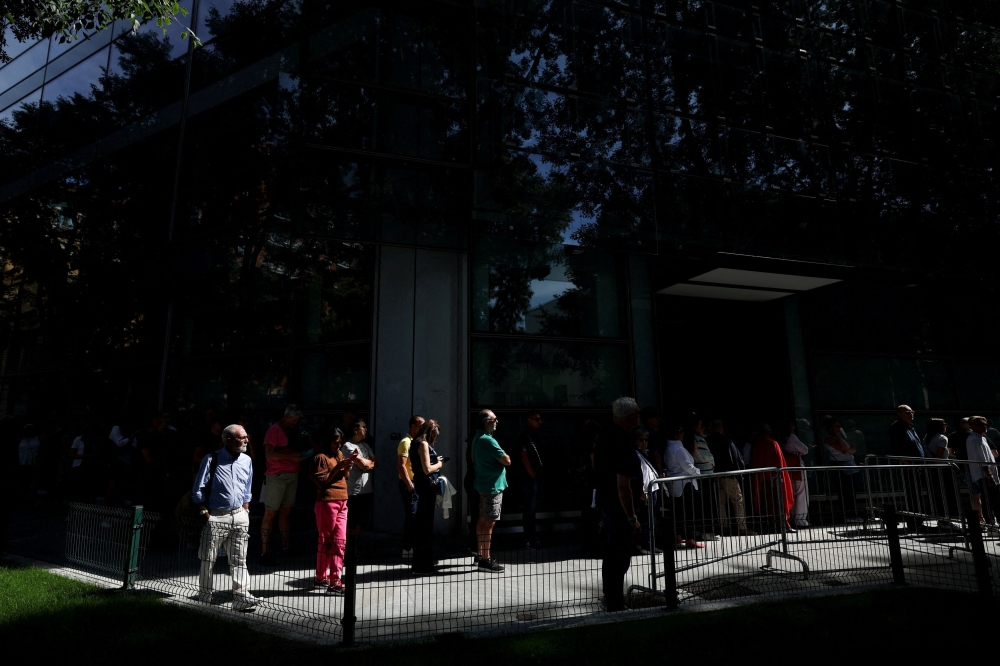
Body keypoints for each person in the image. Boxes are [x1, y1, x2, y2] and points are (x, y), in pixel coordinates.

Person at [192, 424, 257, 611]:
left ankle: (242, 597)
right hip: (216, 516)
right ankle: (205, 598)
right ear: (228, 440)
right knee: (208, 559)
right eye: (242, 437)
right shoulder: (211, 459)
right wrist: (205, 513)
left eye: (246, 437)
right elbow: (198, 489)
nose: (246, 440)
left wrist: (245, 510)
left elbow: (247, 489)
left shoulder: (246, 460)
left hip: (239, 515)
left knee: (239, 559)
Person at [594, 397, 643, 610]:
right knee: (619, 556)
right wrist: (631, 516)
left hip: (607, 503)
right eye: (637, 413)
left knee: (612, 555)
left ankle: (612, 597)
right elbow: (623, 484)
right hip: (618, 508)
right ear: (631, 416)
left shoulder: (605, 435)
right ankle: (615, 601)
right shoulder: (622, 440)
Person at [260, 405, 303, 566]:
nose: (296, 422)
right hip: (277, 476)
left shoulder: (291, 430)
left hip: (292, 474)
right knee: (270, 513)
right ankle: (264, 552)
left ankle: (285, 547)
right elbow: (269, 454)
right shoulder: (274, 430)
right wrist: (291, 458)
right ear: (288, 416)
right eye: (295, 419)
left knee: (286, 512)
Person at [311, 427, 352, 596]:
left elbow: (345, 477)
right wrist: (337, 468)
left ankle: (335, 580)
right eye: (336, 442)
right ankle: (322, 577)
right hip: (327, 502)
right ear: (328, 441)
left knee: (340, 542)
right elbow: (321, 482)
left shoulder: (339, 455)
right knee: (326, 541)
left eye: (340, 442)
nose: (339, 445)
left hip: (343, 500)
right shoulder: (320, 458)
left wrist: (347, 467)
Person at [472, 409, 511, 573]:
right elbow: (507, 460)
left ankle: (481, 555)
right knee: (489, 522)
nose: (497, 422)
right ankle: (486, 560)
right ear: (486, 421)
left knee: (482, 520)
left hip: (483, 484)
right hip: (492, 486)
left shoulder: (477, 438)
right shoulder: (488, 440)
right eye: (494, 419)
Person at [706, 419, 755, 536]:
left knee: (720, 503)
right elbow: (737, 458)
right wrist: (739, 473)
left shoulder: (707, 441)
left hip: (716, 475)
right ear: (721, 428)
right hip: (729, 474)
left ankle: (724, 527)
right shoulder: (727, 441)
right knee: (737, 500)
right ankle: (742, 528)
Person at [411, 419, 446, 574]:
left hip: (420, 485)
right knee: (425, 527)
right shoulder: (423, 444)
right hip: (426, 487)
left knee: (421, 527)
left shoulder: (414, 442)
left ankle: (421, 564)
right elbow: (426, 469)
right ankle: (423, 565)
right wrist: (439, 464)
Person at [748, 424, 795, 532]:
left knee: (765, 503)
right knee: (778, 502)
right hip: (775, 479)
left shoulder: (757, 445)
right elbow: (779, 463)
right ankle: (783, 525)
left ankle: (768, 525)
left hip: (762, 480)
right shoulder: (773, 443)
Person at [663, 423, 703, 549]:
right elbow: (687, 466)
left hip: (676, 484)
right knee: (689, 512)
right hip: (686, 484)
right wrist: (698, 473)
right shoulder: (678, 449)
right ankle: (690, 539)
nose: (682, 434)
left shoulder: (669, 447)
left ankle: (679, 536)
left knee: (679, 512)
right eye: (680, 431)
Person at [888, 405, 925, 530]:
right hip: (909, 467)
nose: (911, 414)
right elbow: (898, 449)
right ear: (899, 414)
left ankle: (918, 521)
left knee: (917, 494)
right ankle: (914, 522)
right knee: (912, 494)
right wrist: (908, 464)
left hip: (917, 465)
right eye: (907, 412)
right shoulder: (897, 428)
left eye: (912, 412)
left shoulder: (910, 426)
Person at [822, 419, 862, 524]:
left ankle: (853, 513)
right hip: (840, 466)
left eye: (839, 426)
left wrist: (842, 439)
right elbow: (844, 449)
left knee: (852, 491)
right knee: (845, 491)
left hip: (850, 464)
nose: (839, 429)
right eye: (836, 426)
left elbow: (853, 448)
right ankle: (847, 514)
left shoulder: (842, 438)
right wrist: (839, 437)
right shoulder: (829, 439)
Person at [342, 418, 377, 535]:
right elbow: (362, 464)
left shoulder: (365, 445)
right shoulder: (347, 446)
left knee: (361, 522)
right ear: (356, 430)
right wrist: (367, 464)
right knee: (350, 522)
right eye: (364, 427)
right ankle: (346, 550)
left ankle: (354, 548)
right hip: (353, 492)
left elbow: (375, 463)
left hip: (366, 490)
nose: (366, 430)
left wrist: (367, 464)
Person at [397, 415, 425, 559]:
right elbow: (401, 466)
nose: (424, 429)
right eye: (421, 425)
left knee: (415, 515)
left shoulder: (416, 442)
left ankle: (413, 545)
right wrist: (409, 484)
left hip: (415, 483)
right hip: (409, 484)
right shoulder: (405, 442)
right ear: (413, 426)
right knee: (411, 515)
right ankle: (407, 547)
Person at [516, 409, 544, 549]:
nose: (540, 422)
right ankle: (529, 537)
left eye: (540, 419)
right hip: (528, 478)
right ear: (528, 420)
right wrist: (532, 473)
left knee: (531, 508)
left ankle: (530, 536)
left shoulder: (533, 435)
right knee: (529, 508)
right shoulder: (525, 436)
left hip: (532, 477)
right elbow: (523, 454)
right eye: (536, 419)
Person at [966, 417, 1000, 525]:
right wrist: (989, 476)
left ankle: (993, 522)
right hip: (984, 475)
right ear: (972, 426)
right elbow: (981, 459)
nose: (984, 427)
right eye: (981, 425)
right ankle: (991, 523)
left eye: (985, 424)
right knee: (989, 500)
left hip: (989, 474)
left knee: (993, 499)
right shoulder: (974, 439)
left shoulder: (982, 438)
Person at [632, 428, 660, 555]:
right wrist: (641, 490)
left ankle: (650, 543)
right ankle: (644, 544)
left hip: (652, 488)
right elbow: (638, 474)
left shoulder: (644, 453)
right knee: (646, 519)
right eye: (641, 440)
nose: (644, 442)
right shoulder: (635, 454)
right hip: (645, 490)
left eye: (646, 440)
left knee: (651, 518)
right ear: (635, 441)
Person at [783, 421, 811, 528]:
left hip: (788, 467)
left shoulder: (782, 439)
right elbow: (805, 449)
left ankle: (793, 517)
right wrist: (799, 453)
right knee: (801, 492)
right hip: (797, 465)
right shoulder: (792, 437)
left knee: (792, 492)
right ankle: (801, 519)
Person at [641, 407, 664, 473]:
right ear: (649, 419)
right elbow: (655, 454)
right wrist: (660, 470)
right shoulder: (650, 435)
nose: (659, 419)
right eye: (656, 417)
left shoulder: (655, 433)